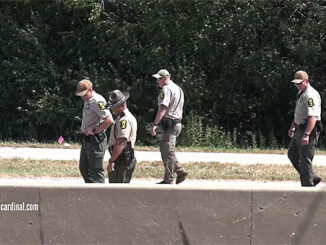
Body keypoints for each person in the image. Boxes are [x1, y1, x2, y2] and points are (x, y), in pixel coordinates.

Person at [151, 69, 188, 184]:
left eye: (159, 79)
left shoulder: (166, 89)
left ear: (166, 78)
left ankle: (169, 178)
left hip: (169, 124)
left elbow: (163, 108)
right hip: (177, 123)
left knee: (167, 152)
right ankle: (180, 171)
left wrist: (155, 124)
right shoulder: (178, 88)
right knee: (168, 150)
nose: (158, 81)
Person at [287, 70, 323, 187]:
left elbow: (312, 117)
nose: (297, 86)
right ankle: (312, 176)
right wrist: (293, 127)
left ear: (306, 81)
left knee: (304, 159)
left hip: (308, 130)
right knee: (292, 154)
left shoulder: (310, 95)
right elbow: (298, 113)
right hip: (299, 128)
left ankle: (308, 185)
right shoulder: (301, 93)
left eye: (299, 83)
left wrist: (307, 134)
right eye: (296, 83)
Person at [76, 79, 113, 183]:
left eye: (84, 94)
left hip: (95, 141)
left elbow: (109, 120)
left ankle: (100, 195)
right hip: (87, 140)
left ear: (90, 90)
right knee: (84, 168)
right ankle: (90, 192)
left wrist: (96, 130)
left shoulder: (97, 101)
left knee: (95, 170)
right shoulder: (88, 100)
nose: (83, 97)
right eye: (81, 95)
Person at [107, 90, 137, 183]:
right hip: (120, 158)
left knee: (119, 191)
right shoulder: (121, 118)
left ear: (123, 105)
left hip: (122, 159)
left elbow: (121, 143)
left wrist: (111, 161)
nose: (112, 110)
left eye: (115, 107)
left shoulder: (124, 120)